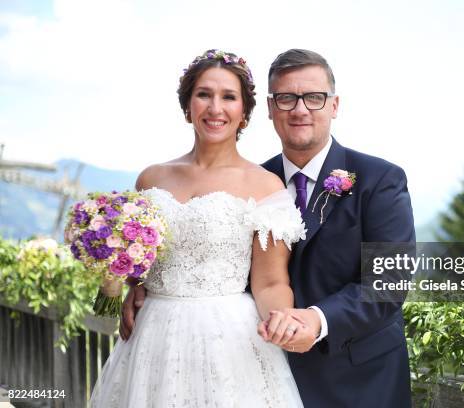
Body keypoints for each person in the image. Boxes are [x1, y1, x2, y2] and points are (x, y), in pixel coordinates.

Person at [123, 49, 416, 407]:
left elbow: (390, 283)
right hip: (249, 366)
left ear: (334, 105)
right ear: (269, 107)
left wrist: (318, 320)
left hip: (358, 378)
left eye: (314, 97)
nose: (300, 109)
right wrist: (135, 286)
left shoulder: (380, 179)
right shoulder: (255, 181)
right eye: (287, 98)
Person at [90, 49, 306, 407]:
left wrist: (281, 321)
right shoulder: (151, 179)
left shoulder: (265, 186)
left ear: (244, 112)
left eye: (228, 97)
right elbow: (136, 265)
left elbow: (270, 282)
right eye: (204, 94)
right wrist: (130, 286)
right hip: (151, 339)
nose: (215, 108)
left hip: (228, 341)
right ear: (187, 105)